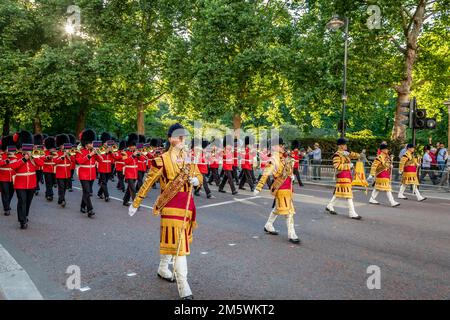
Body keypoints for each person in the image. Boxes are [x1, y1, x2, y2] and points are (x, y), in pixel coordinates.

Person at [128, 123, 203, 300]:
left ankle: (163, 268)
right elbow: (148, 182)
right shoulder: (162, 159)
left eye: (184, 136)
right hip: (170, 206)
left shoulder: (188, 158)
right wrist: (136, 202)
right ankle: (183, 285)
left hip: (187, 205)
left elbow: (199, 175)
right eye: (179, 136)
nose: (183, 140)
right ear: (171, 139)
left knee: (173, 240)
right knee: (179, 246)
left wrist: (196, 180)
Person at [253, 136, 300, 244]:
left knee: (277, 209)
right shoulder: (273, 159)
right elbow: (266, 174)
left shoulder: (283, 157)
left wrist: (291, 175)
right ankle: (291, 233)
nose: (282, 147)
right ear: (275, 146)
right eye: (280, 145)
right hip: (281, 188)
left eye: (282, 145)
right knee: (289, 212)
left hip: (287, 188)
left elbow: (287, 170)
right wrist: (258, 187)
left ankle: (268, 225)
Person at [9, 131, 44, 229]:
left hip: (32, 182)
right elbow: (13, 166)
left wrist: (32, 156)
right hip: (20, 182)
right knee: (22, 201)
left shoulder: (33, 154)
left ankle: (25, 215)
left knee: (28, 201)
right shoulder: (15, 155)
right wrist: (24, 159)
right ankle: (22, 221)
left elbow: (41, 164)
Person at [325, 138, 362, 220]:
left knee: (338, 193)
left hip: (346, 175)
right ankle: (352, 212)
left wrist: (360, 155)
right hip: (342, 176)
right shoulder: (337, 155)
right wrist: (349, 166)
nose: (346, 146)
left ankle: (330, 205)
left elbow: (353, 155)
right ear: (340, 146)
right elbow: (337, 166)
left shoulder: (345, 153)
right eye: (345, 144)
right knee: (349, 195)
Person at [75, 129, 98, 218]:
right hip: (83, 173)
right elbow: (79, 161)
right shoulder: (80, 151)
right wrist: (90, 155)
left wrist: (97, 154)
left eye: (91, 143)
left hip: (92, 174)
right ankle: (90, 209)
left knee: (86, 192)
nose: (91, 144)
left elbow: (100, 160)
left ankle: (82, 206)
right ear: (85, 143)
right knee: (87, 192)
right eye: (89, 143)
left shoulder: (94, 151)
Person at [54, 134, 72, 208]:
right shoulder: (57, 153)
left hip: (67, 172)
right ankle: (63, 200)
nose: (63, 147)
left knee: (64, 187)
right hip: (60, 172)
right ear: (60, 145)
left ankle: (60, 198)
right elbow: (55, 161)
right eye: (62, 145)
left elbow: (73, 161)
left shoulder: (69, 153)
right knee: (61, 186)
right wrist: (62, 156)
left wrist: (68, 155)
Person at [122, 133, 141, 206]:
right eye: (132, 145)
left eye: (134, 145)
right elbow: (126, 162)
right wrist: (133, 155)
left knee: (129, 188)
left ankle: (125, 201)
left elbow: (143, 159)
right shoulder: (124, 152)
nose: (134, 147)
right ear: (129, 145)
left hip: (135, 172)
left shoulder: (136, 152)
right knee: (133, 189)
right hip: (129, 173)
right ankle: (135, 204)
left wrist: (139, 154)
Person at [96, 132, 114, 202]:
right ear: (103, 142)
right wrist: (106, 152)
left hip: (108, 168)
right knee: (104, 182)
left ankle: (99, 193)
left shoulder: (110, 149)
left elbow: (115, 157)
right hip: (102, 167)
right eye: (106, 142)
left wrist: (111, 151)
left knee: (105, 182)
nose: (107, 143)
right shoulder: (99, 149)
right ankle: (107, 196)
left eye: (108, 142)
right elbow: (100, 157)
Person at [0, 135, 15, 216]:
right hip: (3, 176)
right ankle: (6, 209)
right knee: (5, 192)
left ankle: (7, 204)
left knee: (11, 192)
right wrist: (6, 161)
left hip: (13, 176)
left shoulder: (14, 154)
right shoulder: (1, 154)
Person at [42, 136, 56, 202]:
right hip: (47, 169)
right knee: (48, 183)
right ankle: (50, 195)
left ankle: (47, 192)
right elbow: (41, 159)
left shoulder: (55, 152)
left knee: (53, 182)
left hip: (54, 169)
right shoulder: (45, 152)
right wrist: (47, 157)